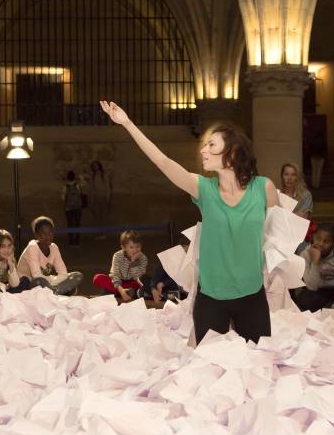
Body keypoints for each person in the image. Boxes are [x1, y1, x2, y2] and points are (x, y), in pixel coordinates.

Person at [100, 100, 279, 344]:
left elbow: (279, 237)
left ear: (233, 152)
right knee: (208, 371)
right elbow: (163, 162)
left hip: (252, 296)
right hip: (211, 298)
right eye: (205, 145)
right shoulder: (202, 188)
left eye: (212, 145)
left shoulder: (264, 188)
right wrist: (127, 123)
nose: (203, 150)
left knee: (260, 368)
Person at [16, 216, 83, 295]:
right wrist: (54, 281)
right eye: (43, 234)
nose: (48, 236)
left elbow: (63, 273)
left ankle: (54, 292)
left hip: (47, 283)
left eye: (50, 232)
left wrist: (52, 281)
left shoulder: (54, 247)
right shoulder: (32, 247)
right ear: (36, 235)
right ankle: (58, 292)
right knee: (40, 281)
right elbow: (36, 276)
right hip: (28, 284)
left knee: (77, 276)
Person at [293, 224, 334, 312]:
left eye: (326, 242)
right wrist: (315, 263)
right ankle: (327, 306)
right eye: (318, 239)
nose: (321, 244)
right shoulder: (305, 254)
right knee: (306, 299)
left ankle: (329, 306)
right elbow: (312, 286)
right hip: (316, 290)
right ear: (313, 237)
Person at [92, 230, 149, 302]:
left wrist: (134, 262)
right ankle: (124, 293)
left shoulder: (143, 258)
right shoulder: (117, 256)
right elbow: (114, 274)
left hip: (133, 283)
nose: (135, 250)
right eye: (131, 247)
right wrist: (121, 290)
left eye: (138, 246)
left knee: (145, 284)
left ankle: (120, 292)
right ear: (124, 247)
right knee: (97, 278)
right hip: (118, 283)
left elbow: (138, 278)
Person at [150, 237, 190, 304]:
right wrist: (154, 288)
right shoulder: (169, 258)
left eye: (188, 251)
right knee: (145, 279)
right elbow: (156, 277)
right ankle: (166, 295)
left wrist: (163, 283)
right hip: (168, 287)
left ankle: (170, 296)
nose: (185, 253)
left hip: (181, 289)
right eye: (184, 249)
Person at [88, 160, 113, 239]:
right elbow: (92, 189)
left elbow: (108, 187)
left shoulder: (104, 175)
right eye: (94, 166)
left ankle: (103, 233)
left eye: (96, 165)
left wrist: (108, 198)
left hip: (103, 198)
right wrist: (92, 199)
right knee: (98, 217)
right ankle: (99, 233)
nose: (95, 167)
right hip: (96, 198)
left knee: (103, 217)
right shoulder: (93, 176)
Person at [62, 170, 84, 246]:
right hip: (77, 207)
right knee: (77, 224)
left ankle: (71, 241)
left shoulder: (65, 186)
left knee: (70, 225)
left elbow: (63, 198)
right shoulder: (77, 185)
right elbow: (81, 194)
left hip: (68, 208)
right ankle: (77, 241)